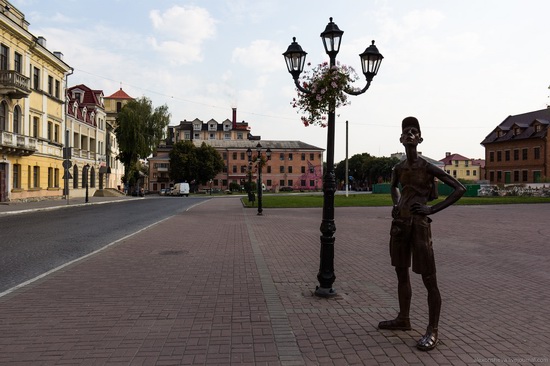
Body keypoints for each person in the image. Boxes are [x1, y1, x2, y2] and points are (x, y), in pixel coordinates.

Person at [378, 117, 466, 351]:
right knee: (401, 273)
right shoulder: (398, 167)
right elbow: (394, 186)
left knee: (428, 278)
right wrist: (396, 202)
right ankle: (403, 319)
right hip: (400, 224)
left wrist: (431, 209)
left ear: (420, 139)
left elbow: (460, 188)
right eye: (405, 131)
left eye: (413, 131)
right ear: (400, 139)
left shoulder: (427, 167)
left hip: (419, 225)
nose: (409, 134)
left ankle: (432, 329)